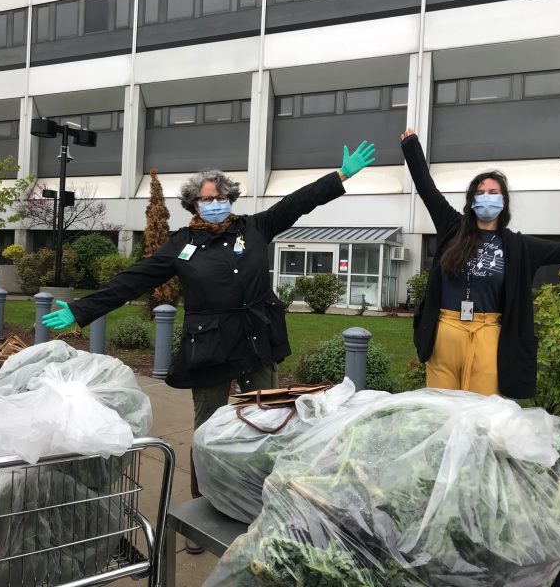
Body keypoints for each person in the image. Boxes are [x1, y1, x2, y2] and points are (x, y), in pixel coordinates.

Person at [41, 139, 376, 553]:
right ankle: (205, 507)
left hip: (256, 337)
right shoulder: (180, 244)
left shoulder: (253, 227)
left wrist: (339, 176)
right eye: (205, 199)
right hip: (211, 345)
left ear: (230, 199)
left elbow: (297, 203)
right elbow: (134, 279)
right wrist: (81, 310)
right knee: (209, 429)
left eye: (219, 197)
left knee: (270, 424)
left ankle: (262, 500)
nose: (213, 203)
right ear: (193, 204)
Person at [400, 128, 560, 399]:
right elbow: (427, 189)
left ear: (503, 200)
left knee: (483, 416)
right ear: (472, 200)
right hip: (445, 333)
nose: (486, 196)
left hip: (488, 334)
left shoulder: (521, 247)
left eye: (493, 191)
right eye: (480, 191)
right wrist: (412, 146)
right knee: (441, 412)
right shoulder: (453, 228)